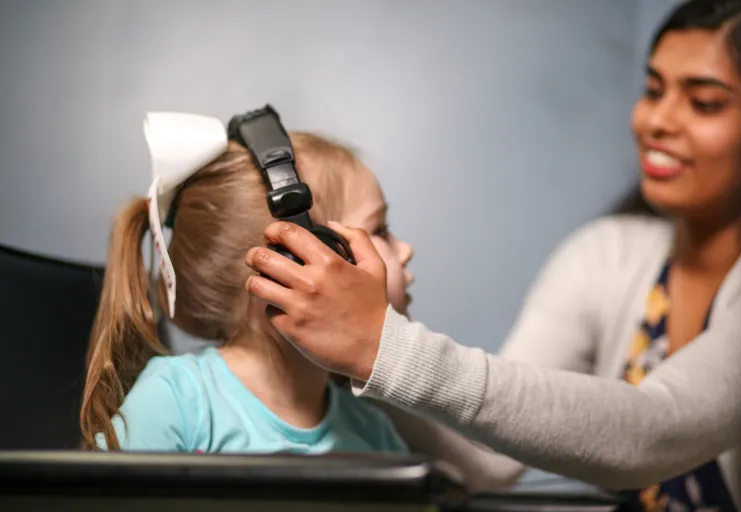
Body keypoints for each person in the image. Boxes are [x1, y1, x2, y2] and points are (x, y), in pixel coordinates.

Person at [243, 1, 741, 510]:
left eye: (704, 103)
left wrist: (381, 345)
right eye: (653, 90)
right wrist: (348, 357)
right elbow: (489, 460)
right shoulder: (603, 254)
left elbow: (654, 435)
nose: (658, 121)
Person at [79, 109, 523, 491]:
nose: (404, 250)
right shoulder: (177, 400)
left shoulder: (373, 432)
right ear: (292, 260)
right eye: (382, 230)